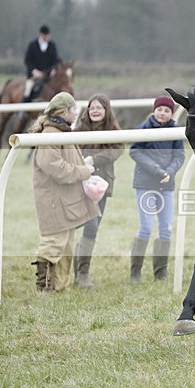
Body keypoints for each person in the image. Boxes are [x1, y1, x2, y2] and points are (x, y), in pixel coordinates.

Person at [31, 91, 100, 292]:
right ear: (64, 111)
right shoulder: (51, 135)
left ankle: (60, 286)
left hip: (64, 199)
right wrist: (83, 171)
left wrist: (82, 164)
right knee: (53, 242)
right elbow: (54, 167)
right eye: (73, 109)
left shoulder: (61, 132)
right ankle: (44, 286)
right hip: (53, 199)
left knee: (67, 243)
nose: (76, 113)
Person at [128, 95, 185, 283]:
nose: (162, 113)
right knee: (145, 228)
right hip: (145, 184)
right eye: (160, 109)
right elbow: (135, 151)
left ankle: (160, 273)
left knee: (166, 229)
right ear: (154, 110)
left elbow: (179, 156)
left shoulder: (175, 131)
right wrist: (157, 170)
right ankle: (135, 273)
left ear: (171, 113)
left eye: (167, 110)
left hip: (166, 186)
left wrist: (169, 171)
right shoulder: (143, 129)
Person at [72, 94, 124, 288]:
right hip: (80, 184)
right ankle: (79, 273)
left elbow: (117, 150)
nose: (95, 111)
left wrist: (94, 160)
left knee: (93, 227)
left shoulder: (113, 131)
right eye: (92, 107)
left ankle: (82, 273)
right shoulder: (78, 130)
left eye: (99, 108)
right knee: (87, 225)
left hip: (101, 186)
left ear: (106, 111)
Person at [23, 24, 61, 102]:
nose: (47, 37)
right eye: (46, 35)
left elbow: (55, 60)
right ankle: (23, 111)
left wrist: (54, 69)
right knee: (28, 89)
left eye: (48, 35)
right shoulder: (32, 45)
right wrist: (34, 71)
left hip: (48, 75)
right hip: (34, 76)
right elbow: (28, 60)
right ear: (41, 35)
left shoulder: (52, 45)